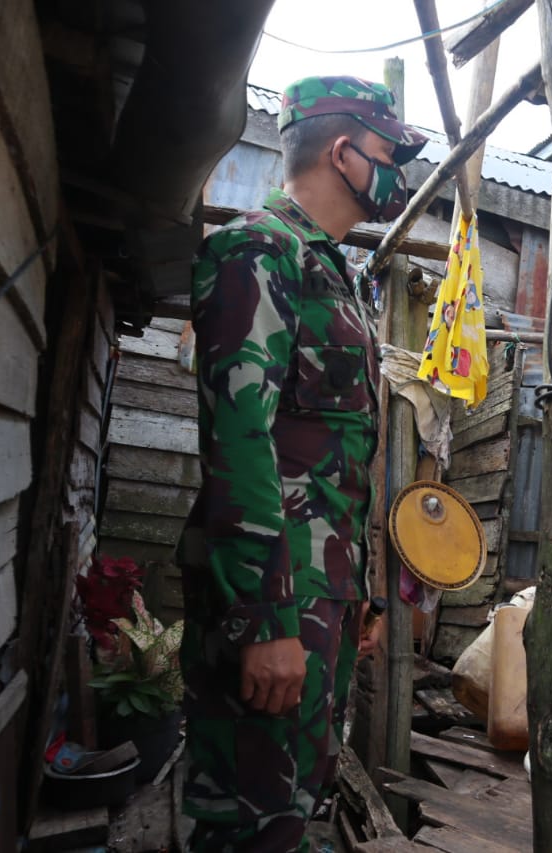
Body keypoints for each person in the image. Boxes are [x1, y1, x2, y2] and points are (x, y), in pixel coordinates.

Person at [175, 76, 427, 852]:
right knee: (249, 820)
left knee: (290, 803)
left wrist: (361, 597)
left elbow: (339, 461)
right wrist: (262, 620)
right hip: (273, 605)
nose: (400, 177)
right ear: (343, 152)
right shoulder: (258, 249)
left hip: (317, 600)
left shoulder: (333, 274)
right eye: (390, 156)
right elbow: (240, 441)